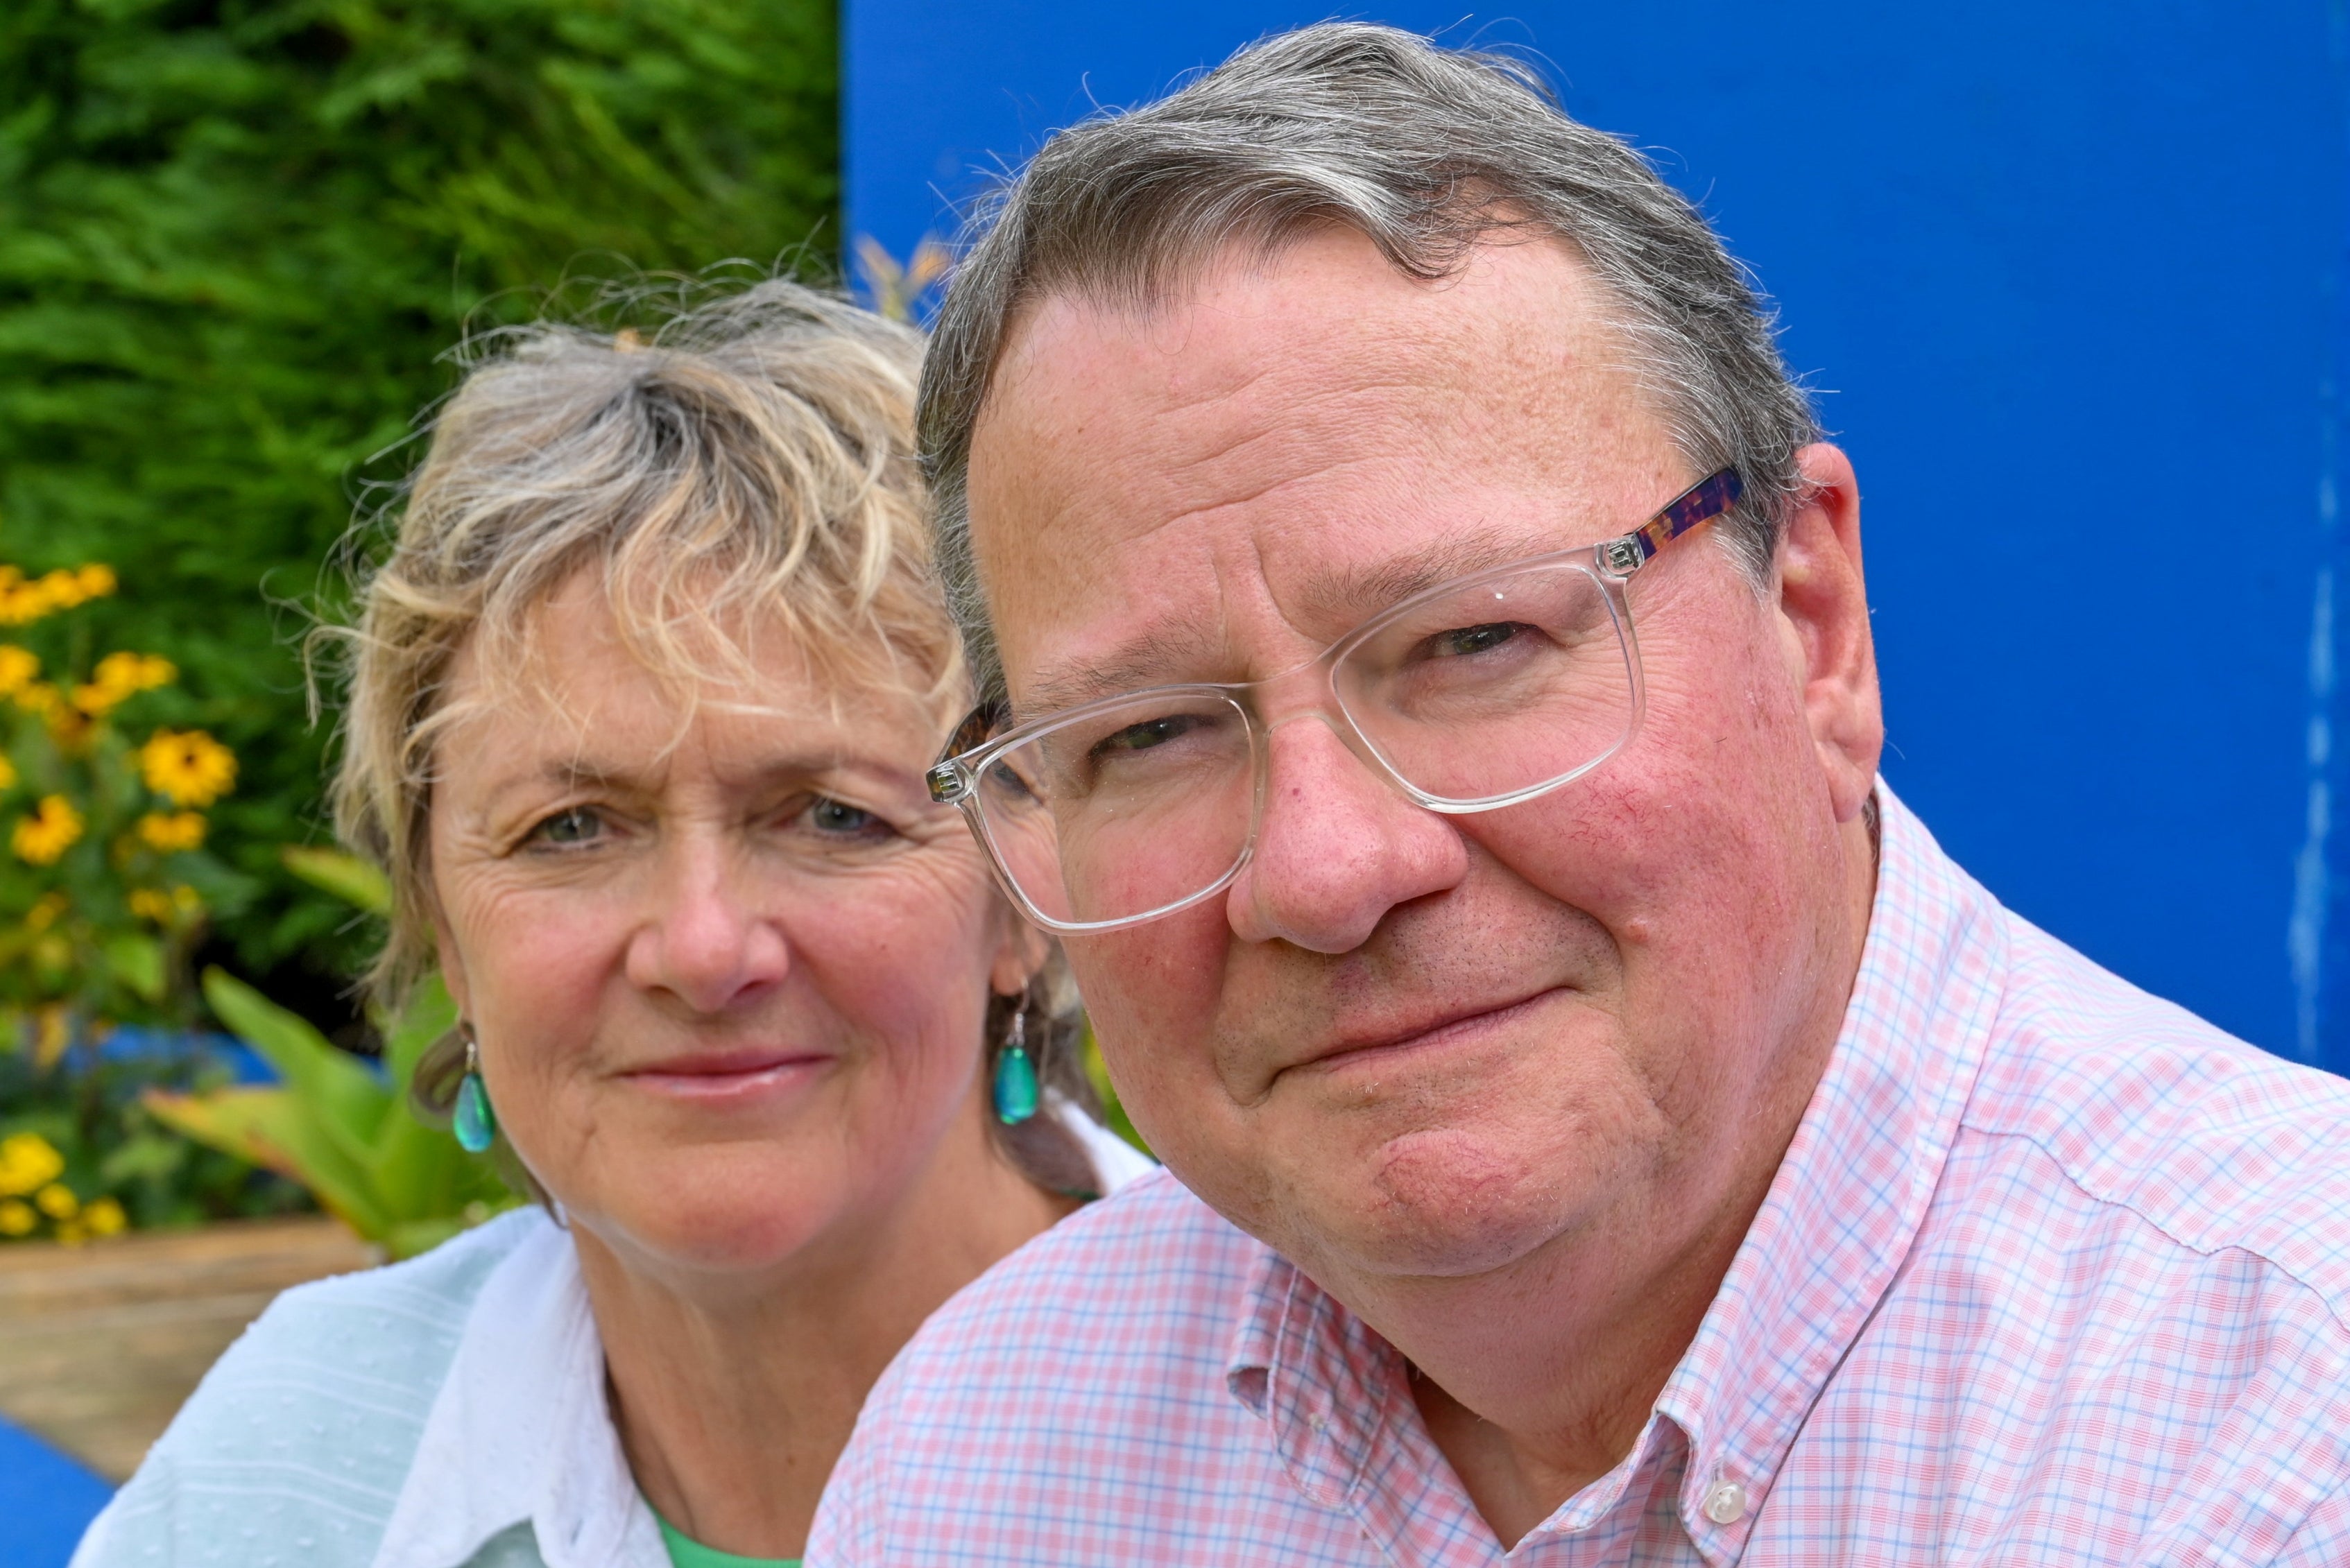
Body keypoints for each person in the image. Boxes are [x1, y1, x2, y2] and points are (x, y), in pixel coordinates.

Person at [808, 24, 2350, 1566]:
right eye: (1144, 737)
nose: (1326, 868)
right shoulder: (979, 1458)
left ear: (1809, 620)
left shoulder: (2292, 1420)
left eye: (1474, 641)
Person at [73, 280, 1149, 1568]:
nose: (701, 950)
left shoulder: (1342, 1426)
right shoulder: (295, 1466)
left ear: (1022, 890)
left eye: (830, 815)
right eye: (573, 827)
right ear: (447, 938)